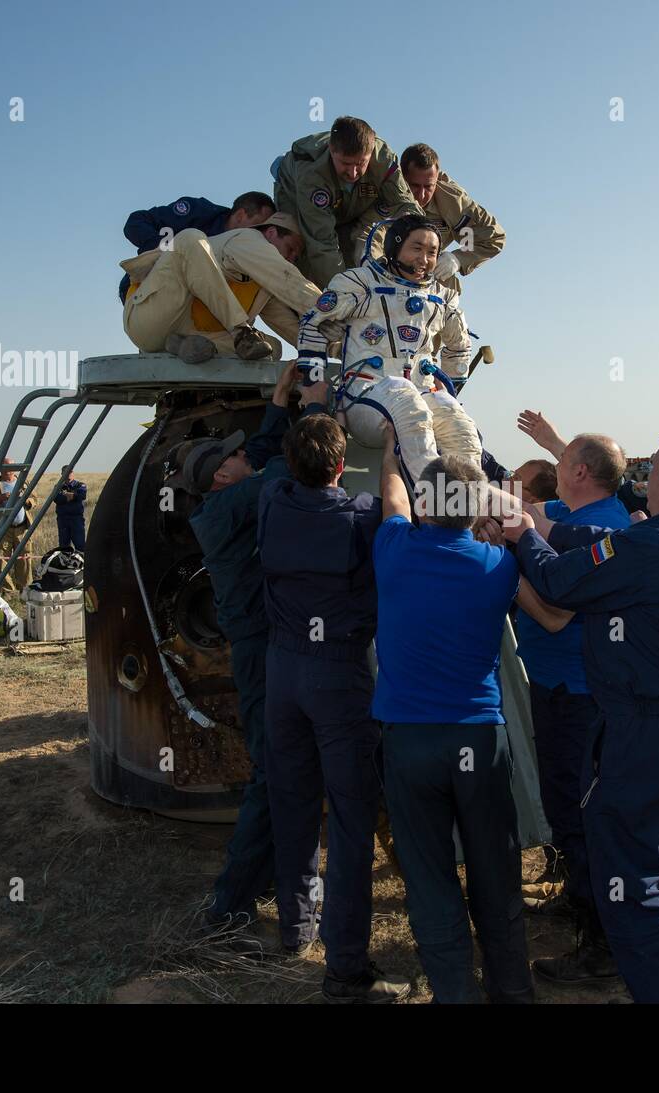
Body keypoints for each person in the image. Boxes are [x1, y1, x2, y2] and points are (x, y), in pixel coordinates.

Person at [504, 429, 659, 1003]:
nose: (643, 469)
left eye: (654, 462)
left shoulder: (652, 550)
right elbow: (613, 545)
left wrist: (522, 537)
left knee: (631, 889)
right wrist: (549, 526)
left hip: (644, 737)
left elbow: (559, 580)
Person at [255, 404, 410, 1003]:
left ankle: (297, 926)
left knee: (291, 799)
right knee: (349, 817)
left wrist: (297, 402)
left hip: (282, 670)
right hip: (339, 674)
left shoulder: (272, 501)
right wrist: (394, 454)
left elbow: (275, 470)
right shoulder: (361, 517)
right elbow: (399, 513)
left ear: (292, 465)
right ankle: (346, 962)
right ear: (344, 466)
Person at [374, 430, 534, 1003]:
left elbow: (393, 498)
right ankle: (513, 990)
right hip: (479, 741)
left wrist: (392, 459)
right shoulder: (498, 567)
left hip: (410, 743)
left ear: (425, 504)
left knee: (430, 876)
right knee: (496, 869)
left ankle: (454, 993)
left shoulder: (392, 549)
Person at [184, 363, 318, 934]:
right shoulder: (237, 504)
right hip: (263, 653)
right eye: (233, 457)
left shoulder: (225, 501)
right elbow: (290, 467)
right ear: (222, 478)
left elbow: (260, 456)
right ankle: (230, 902)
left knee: (279, 767)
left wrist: (282, 401)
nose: (246, 456)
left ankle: (260, 875)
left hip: (263, 649)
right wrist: (314, 412)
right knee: (274, 772)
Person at [513, 429, 632, 974]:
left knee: (581, 810)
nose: (556, 463)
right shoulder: (567, 508)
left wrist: (508, 562)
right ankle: (577, 896)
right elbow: (527, 505)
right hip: (555, 684)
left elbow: (558, 613)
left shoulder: (604, 530)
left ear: (581, 471)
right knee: (564, 804)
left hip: (579, 693)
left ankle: (601, 943)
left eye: (564, 458)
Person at [297, 214, 478, 488]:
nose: (424, 259)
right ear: (394, 247)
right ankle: (436, 506)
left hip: (419, 393)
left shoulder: (443, 296)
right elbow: (312, 323)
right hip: (365, 397)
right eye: (416, 248)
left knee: (461, 428)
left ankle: (469, 510)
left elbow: (460, 347)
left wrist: (449, 389)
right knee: (408, 403)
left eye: (432, 252)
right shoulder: (360, 283)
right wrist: (315, 387)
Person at [121, 214, 321, 365]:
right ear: (270, 233)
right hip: (149, 316)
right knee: (190, 238)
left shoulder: (263, 283)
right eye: (291, 248)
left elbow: (290, 326)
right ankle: (240, 331)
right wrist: (336, 309)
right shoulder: (249, 239)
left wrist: (337, 349)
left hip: (186, 334)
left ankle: (175, 347)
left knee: (272, 349)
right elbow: (288, 278)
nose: (291, 257)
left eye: (296, 255)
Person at [272, 116, 421, 287]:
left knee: (353, 252)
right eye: (345, 163)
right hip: (295, 195)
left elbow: (405, 205)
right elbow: (321, 243)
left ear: (370, 154)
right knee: (303, 258)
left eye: (360, 164)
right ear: (331, 150)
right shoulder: (310, 172)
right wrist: (344, 292)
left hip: (352, 201)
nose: (352, 172)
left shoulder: (383, 159)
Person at [355, 143, 506, 295]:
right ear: (402, 179)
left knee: (446, 284)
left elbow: (492, 237)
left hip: (428, 278)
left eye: (428, 187)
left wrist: (459, 258)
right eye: (414, 186)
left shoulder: (453, 203)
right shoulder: (388, 194)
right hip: (387, 270)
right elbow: (370, 234)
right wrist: (374, 265)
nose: (421, 195)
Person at [118, 191, 276, 302]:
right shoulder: (200, 213)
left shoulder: (249, 256)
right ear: (240, 216)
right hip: (141, 289)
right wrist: (168, 252)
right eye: (258, 228)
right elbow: (136, 222)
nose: (260, 237)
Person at [0, 458, 39, 596]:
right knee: (1, 559)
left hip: (22, 528)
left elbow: (35, 500)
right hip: (2, 529)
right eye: (5, 466)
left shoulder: (23, 483)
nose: (9, 469)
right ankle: (7, 591)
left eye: (12, 466)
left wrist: (26, 499)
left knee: (24, 558)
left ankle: (25, 590)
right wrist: (1, 499)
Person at [53, 466, 88, 552]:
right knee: (64, 548)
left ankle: (82, 564)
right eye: (66, 472)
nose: (68, 474)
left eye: (70, 472)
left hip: (76, 519)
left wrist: (66, 495)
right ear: (62, 474)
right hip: (63, 520)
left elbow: (81, 495)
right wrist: (72, 496)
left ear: (73, 473)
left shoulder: (80, 485)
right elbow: (57, 499)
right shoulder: (58, 486)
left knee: (80, 546)